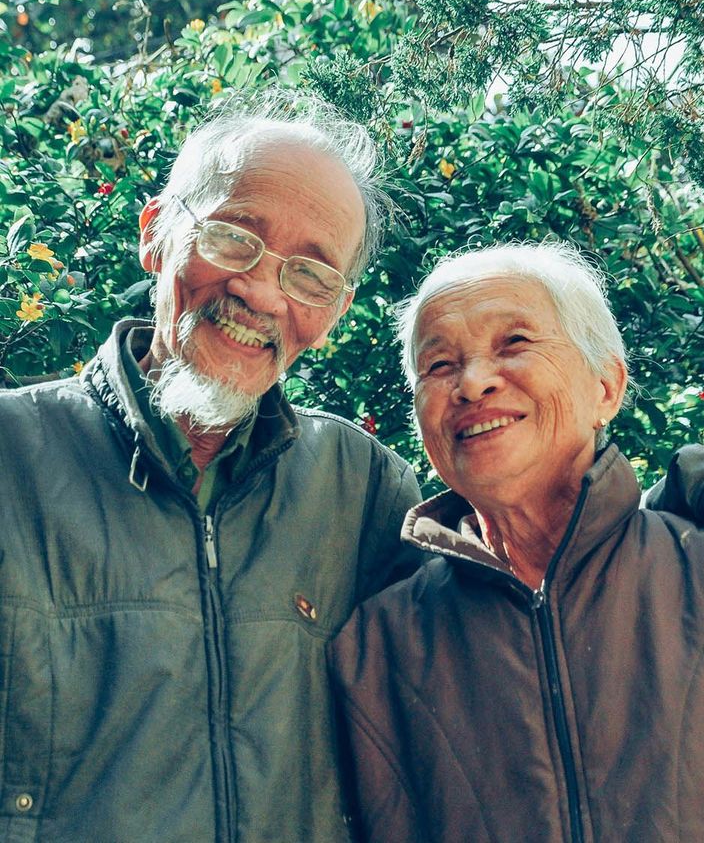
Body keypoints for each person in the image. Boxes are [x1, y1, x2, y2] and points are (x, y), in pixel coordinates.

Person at [0, 93, 422, 843]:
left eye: (311, 274)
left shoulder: (364, 494)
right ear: (155, 236)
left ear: (335, 312)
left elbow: (529, 604)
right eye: (233, 238)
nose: (259, 291)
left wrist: (696, 484)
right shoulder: (12, 457)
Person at [328, 240, 704, 843]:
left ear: (605, 387)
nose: (472, 385)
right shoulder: (375, 646)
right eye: (440, 365)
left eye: (515, 344)